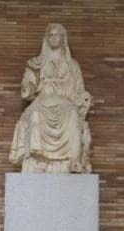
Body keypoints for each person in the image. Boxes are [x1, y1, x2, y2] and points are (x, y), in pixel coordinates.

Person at [9, 23, 92, 173]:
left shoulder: (73, 66)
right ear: (46, 39)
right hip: (42, 102)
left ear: (63, 38)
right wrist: (28, 83)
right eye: (51, 35)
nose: (54, 38)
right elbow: (28, 88)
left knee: (73, 116)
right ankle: (38, 157)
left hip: (65, 104)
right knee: (35, 115)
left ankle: (73, 161)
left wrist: (84, 98)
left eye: (57, 35)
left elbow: (79, 90)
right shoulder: (37, 63)